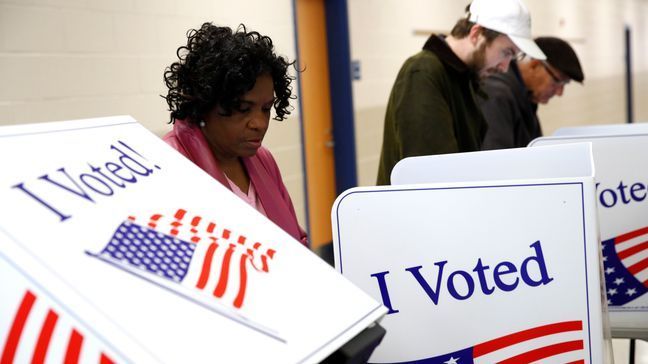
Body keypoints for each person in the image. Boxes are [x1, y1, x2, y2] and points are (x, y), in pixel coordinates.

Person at [162, 23, 307, 246]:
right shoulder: (169, 164)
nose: (259, 123)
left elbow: (296, 239)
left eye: (266, 108)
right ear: (205, 102)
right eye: (243, 109)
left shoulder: (263, 159)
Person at [376, 0, 546, 185]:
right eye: (506, 52)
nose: (505, 68)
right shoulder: (423, 72)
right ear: (476, 34)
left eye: (513, 56)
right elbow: (429, 175)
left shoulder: (465, 79)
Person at [479, 36, 585, 149]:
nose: (560, 92)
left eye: (565, 84)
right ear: (534, 65)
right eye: (558, 81)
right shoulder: (497, 96)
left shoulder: (526, 95)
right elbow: (496, 160)